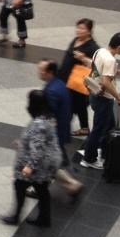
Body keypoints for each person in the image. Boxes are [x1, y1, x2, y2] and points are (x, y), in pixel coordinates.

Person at [0, 89, 63, 227]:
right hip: (48, 162)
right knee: (41, 189)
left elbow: (38, 148)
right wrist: (23, 143)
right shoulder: (47, 117)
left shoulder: (39, 124)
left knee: (20, 185)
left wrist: (30, 166)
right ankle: (44, 219)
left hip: (39, 165)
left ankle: (16, 216)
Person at [80, 31, 120, 170]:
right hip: (103, 99)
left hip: (94, 93)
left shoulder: (100, 51)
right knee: (98, 129)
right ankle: (89, 159)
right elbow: (105, 82)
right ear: (119, 47)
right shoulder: (110, 60)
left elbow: (97, 69)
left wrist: (117, 71)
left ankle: (105, 153)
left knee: (109, 126)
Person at [37, 60, 84, 195]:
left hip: (54, 134)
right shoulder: (60, 84)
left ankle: (71, 183)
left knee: (47, 161)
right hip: (62, 129)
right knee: (58, 159)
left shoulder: (51, 91)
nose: (39, 72)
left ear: (49, 72)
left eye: (41, 70)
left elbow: (50, 116)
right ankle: (70, 179)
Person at [62, 18, 99, 137]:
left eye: (82, 28)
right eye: (78, 27)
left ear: (89, 31)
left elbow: (97, 64)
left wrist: (83, 58)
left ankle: (64, 125)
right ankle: (84, 128)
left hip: (77, 80)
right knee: (79, 104)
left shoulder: (92, 47)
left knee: (75, 104)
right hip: (67, 78)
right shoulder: (76, 39)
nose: (78, 30)